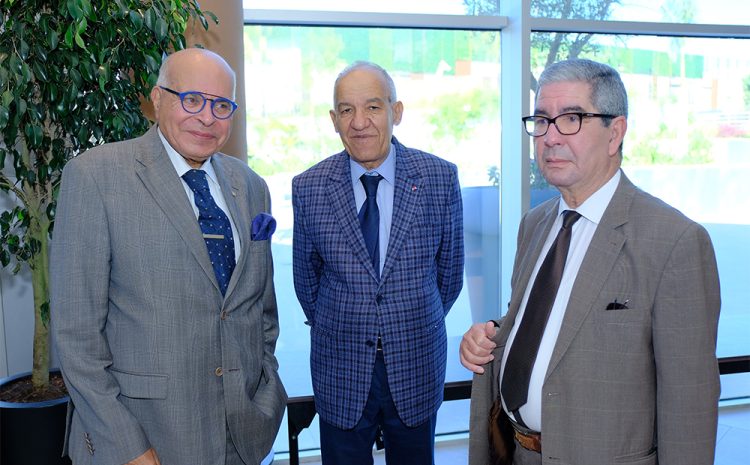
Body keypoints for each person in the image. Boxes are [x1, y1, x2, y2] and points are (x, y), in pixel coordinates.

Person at [460, 58, 721, 465]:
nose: (550, 137)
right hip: (515, 452)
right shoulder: (535, 224)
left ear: (615, 133)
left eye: (572, 119)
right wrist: (491, 336)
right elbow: (546, 325)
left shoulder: (675, 242)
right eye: (541, 120)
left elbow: (689, 406)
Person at [50, 48, 286, 465]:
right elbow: (77, 337)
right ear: (158, 99)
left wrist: (266, 388)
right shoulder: (95, 176)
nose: (207, 117)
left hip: (244, 434)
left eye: (222, 105)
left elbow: (260, 311)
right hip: (145, 438)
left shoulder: (250, 185)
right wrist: (126, 445)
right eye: (192, 100)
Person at [292, 61, 464, 465]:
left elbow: (449, 274)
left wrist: (407, 317)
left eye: (372, 107)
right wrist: (349, 322)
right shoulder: (309, 186)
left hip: (416, 359)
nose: (359, 122)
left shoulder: (439, 178)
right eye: (346, 110)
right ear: (334, 120)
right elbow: (306, 279)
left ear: (395, 112)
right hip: (341, 366)